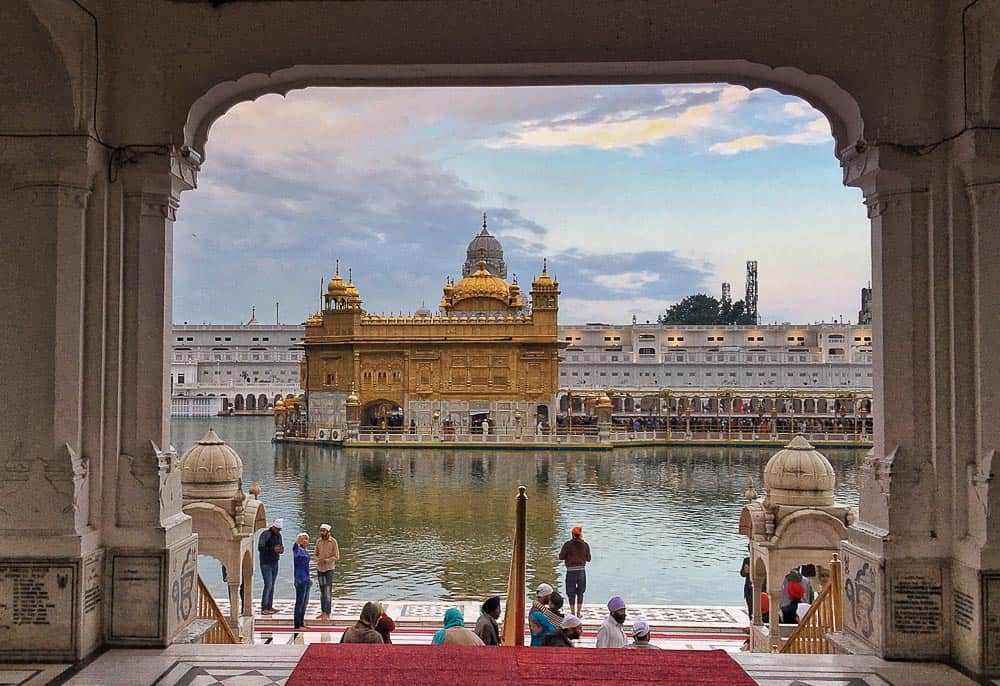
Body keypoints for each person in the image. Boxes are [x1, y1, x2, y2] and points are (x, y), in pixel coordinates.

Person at [559, 527, 591, 615]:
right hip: (581, 571)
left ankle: (572, 612)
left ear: (572, 534)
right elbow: (589, 559)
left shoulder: (567, 545)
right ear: (581, 535)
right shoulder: (585, 545)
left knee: (571, 592)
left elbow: (561, 557)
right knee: (581, 592)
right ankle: (579, 612)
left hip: (571, 571)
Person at [312, 523, 340, 621]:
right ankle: (323, 611)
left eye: (324, 531)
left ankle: (327, 612)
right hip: (320, 569)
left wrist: (326, 560)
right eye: (321, 531)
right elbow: (314, 554)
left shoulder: (333, 542)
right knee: (322, 591)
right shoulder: (318, 541)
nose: (322, 533)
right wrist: (318, 559)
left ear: (328, 532)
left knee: (327, 591)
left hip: (328, 569)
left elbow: (336, 556)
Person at [258, 518, 284, 615]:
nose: (278, 531)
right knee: (268, 584)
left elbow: (280, 547)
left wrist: (280, 550)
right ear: (273, 527)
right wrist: (273, 549)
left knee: (272, 584)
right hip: (266, 563)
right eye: (277, 529)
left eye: (279, 530)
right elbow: (260, 547)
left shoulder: (279, 536)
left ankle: (269, 606)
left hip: (275, 561)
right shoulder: (266, 534)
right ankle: (264, 607)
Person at [292, 532, 312, 631]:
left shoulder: (306, 551)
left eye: (306, 539)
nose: (305, 540)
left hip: (306, 579)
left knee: (305, 602)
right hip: (300, 579)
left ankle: (302, 622)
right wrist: (297, 541)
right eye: (303, 539)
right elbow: (294, 547)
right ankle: (297, 624)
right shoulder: (297, 550)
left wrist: (309, 578)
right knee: (299, 602)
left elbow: (307, 567)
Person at [740, 553, 753, 619]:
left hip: (758, 588)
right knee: (750, 608)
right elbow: (742, 574)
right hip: (748, 588)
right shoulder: (747, 560)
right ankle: (751, 625)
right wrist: (745, 571)